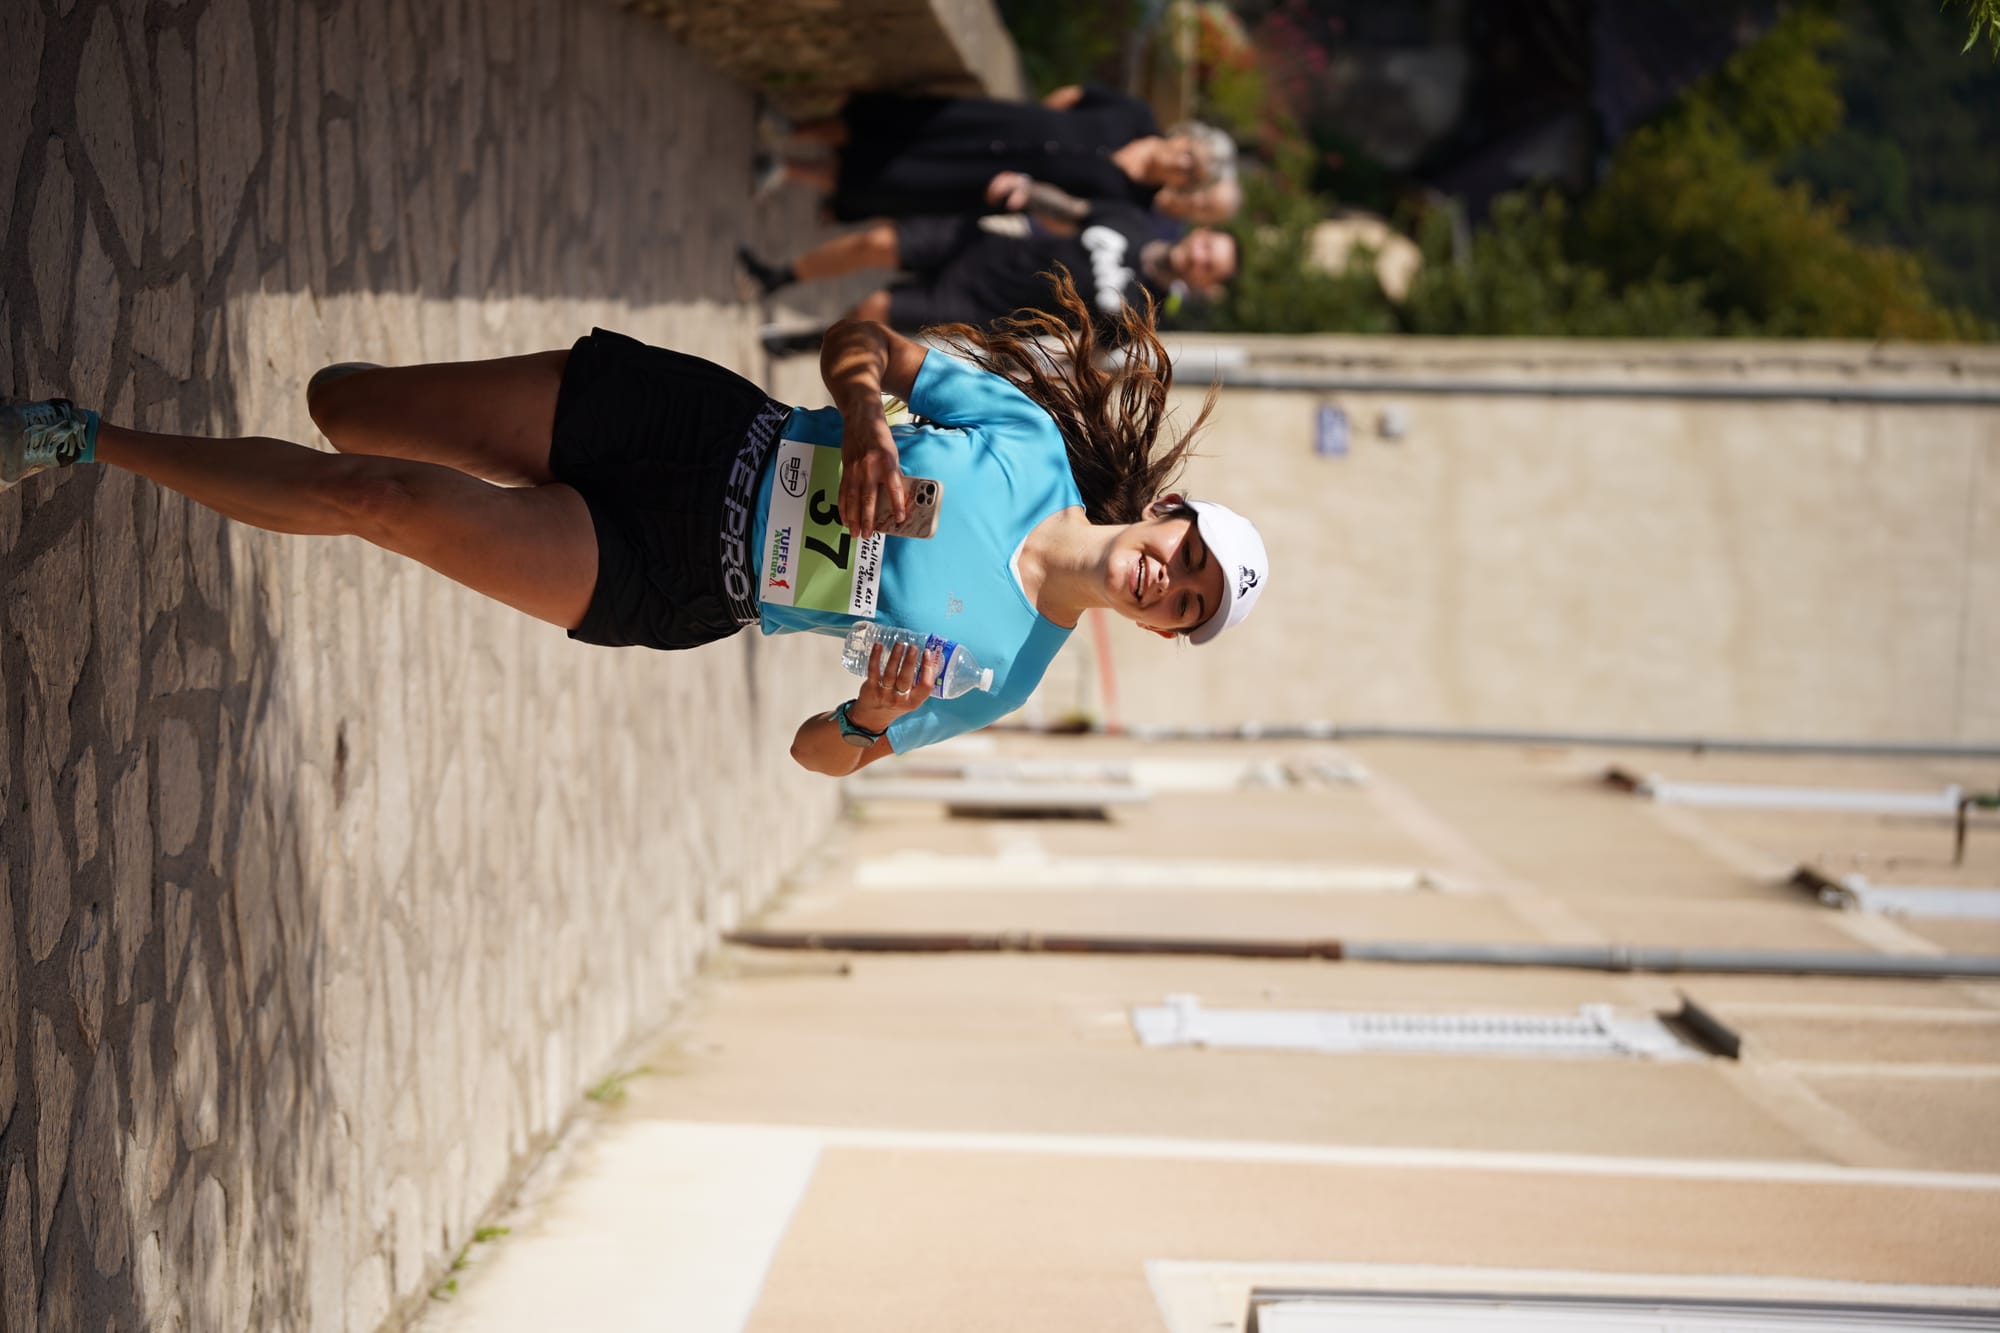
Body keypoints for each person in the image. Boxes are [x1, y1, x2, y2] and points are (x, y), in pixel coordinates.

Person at [2, 273, 1269, 774]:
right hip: (698, 431)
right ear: (1164, 513)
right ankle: (238, 435)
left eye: (1188, 605)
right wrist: (870, 421)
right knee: (349, 412)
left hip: (676, 576)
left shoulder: (1004, 674)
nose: (1171, 580)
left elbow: (816, 757)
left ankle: (78, 436)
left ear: (1162, 631)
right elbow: (860, 340)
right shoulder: (1027, 446)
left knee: (375, 504)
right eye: (1190, 554)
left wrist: (868, 720)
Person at [744, 209, 1239, 357]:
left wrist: (1007, 355)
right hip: (986, 246)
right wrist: (1023, 198)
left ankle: (806, 341)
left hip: (981, 305)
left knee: (874, 306)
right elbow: (1071, 208)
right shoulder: (1134, 224)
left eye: (1208, 265)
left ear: (1202, 282)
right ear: (1201, 233)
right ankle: (777, 276)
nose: (1198, 257)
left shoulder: (1139, 316)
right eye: (1206, 247)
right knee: (874, 241)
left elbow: (1078, 355)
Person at [761, 84, 1235, 222]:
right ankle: (794, 129)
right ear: (1184, 137)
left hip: (994, 178)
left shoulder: (1134, 202)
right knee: (899, 122)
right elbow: (1072, 95)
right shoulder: (1134, 112)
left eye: (1190, 173)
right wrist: (1037, 119)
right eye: (1189, 154)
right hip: (996, 123)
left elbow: (1068, 216)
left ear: (1184, 185)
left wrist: (1031, 194)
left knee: (898, 179)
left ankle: (786, 168)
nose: (1181, 164)